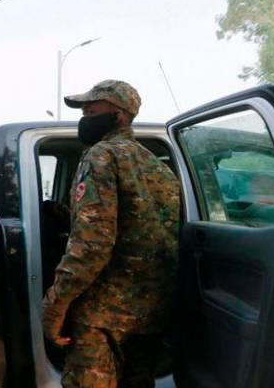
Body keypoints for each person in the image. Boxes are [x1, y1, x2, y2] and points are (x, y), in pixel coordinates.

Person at [42, 80, 180, 387]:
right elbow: (142, 226)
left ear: (119, 115)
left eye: (91, 111)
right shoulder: (158, 166)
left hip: (102, 320)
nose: (84, 118)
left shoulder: (100, 156)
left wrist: (55, 305)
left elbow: (92, 246)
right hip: (151, 316)